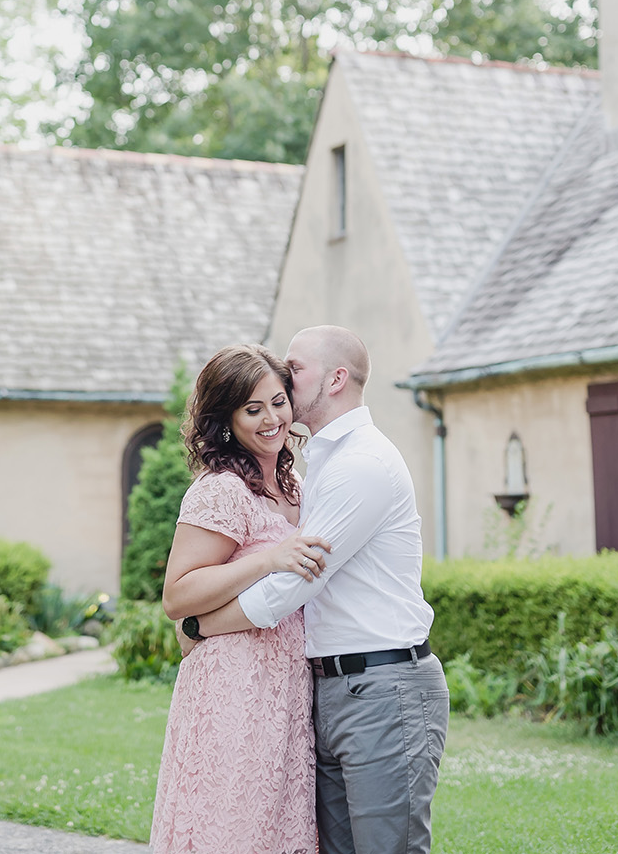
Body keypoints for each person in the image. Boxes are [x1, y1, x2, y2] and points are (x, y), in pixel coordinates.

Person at [180, 325, 449, 854]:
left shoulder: (361, 464)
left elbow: (291, 586)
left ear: (336, 380)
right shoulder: (317, 464)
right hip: (328, 688)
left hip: (383, 685)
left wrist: (200, 625)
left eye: (294, 368)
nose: (284, 374)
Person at [150, 343, 331, 854]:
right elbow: (177, 595)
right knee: (231, 824)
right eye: (253, 409)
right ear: (227, 419)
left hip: (285, 684)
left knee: (277, 828)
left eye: (278, 402)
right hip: (234, 683)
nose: (272, 419)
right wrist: (266, 560)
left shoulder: (293, 481)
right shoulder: (222, 490)